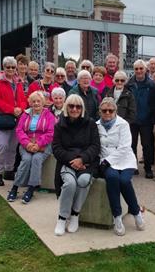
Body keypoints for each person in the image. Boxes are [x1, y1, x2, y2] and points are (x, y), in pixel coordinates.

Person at [52, 94, 100, 236]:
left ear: (82, 108)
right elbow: (56, 148)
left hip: (87, 162)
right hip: (67, 162)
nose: (74, 109)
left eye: (78, 106)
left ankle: (75, 214)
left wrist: (82, 159)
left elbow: (95, 146)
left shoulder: (90, 123)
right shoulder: (60, 125)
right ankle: (62, 217)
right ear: (67, 107)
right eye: (71, 106)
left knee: (84, 181)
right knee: (70, 184)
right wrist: (74, 160)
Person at [96, 97, 145, 236]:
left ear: (115, 111)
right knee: (112, 178)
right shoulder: (96, 125)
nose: (107, 113)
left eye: (110, 110)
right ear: (100, 111)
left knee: (124, 181)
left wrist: (108, 161)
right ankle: (117, 217)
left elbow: (125, 147)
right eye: (104, 110)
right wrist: (103, 161)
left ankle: (136, 212)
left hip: (125, 160)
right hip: (106, 160)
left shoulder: (123, 124)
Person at [7, 91, 56, 203]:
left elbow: (50, 132)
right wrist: (27, 143)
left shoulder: (49, 115)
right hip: (27, 144)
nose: (36, 103)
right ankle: (15, 187)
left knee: (36, 159)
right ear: (30, 103)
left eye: (39, 101)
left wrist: (38, 144)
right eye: (33, 101)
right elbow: (19, 130)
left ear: (43, 102)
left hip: (44, 145)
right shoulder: (25, 114)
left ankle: (31, 188)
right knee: (27, 159)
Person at [0, 56, 28, 186]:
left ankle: (9, 170)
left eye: (13, 67)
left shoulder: (18, 82)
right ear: (4, 68)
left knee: (12, 147)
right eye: (8, 67)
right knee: (2, 145)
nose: (11, 69)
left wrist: (20, 108)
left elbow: (23, 99)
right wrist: (12, 109)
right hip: (3, 118)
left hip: (17, 119)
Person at [127, 60, 155, 179]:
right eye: (136, 69)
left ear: (145, 70)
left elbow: (154, 103)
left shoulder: (151, 84)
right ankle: (134, 167)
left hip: (146, 119)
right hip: (133, 120)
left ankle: (148, 168)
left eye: (141, 68)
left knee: (147, 145)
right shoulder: (129, 84)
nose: (138, 71)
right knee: (132, 144)